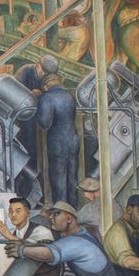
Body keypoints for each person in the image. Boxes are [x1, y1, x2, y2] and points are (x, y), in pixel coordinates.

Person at [8, 201, 120, 276]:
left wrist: (21, 250)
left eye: (56, 214)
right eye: (50, 215)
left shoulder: (76, 242)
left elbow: (49, 254)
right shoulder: (82, 233)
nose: (51, 218)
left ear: (69, 219)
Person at [0, 197, 68, 276]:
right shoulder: (14, 232)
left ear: (28, 213)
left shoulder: (41, 231)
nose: (13, 215)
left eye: (18, 211)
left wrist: (9, 236)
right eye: (10, 211)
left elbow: (38, 248)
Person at [35, 56, 80, 206]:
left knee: (59, 178)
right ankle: (72, 211)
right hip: (73, 138)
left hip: (57, 141)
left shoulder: (47, 98)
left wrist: (38, 103)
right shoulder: (68, 96)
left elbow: (44, 123)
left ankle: (61, 212)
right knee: (72, 178)